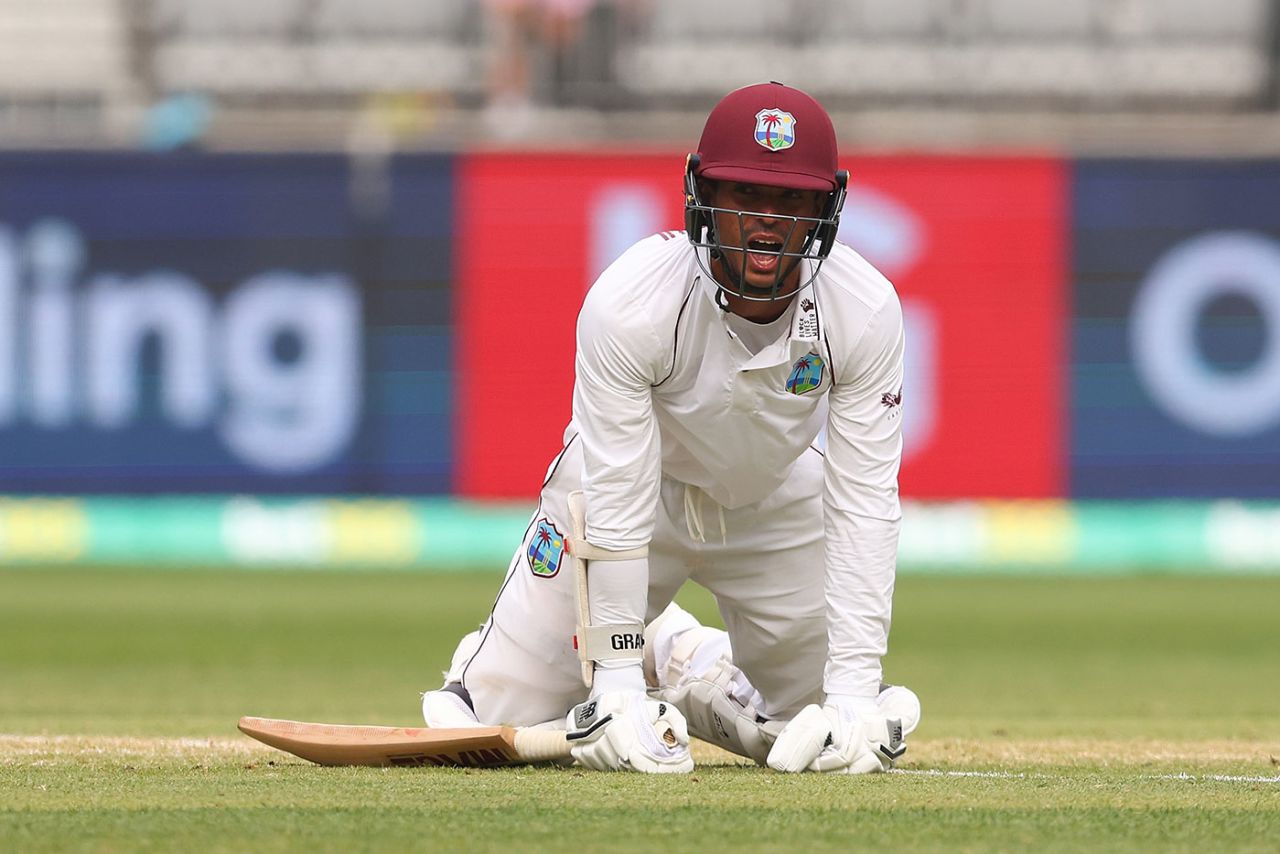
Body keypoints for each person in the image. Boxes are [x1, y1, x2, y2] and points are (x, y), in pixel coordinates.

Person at [424, 81, 920, 774]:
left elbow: (865, 499)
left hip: (772, 502)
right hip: (640, 492)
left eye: (790, 200)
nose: (766, 223)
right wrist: (617, 684)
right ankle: (612, 658)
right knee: (489, 724)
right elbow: (617, 489)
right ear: (702, 194)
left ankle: (684, 658)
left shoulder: (863, 309)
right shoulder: (633, 303)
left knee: (818, 730)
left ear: (823, 209)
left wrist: (856, 692)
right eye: (744, 195)